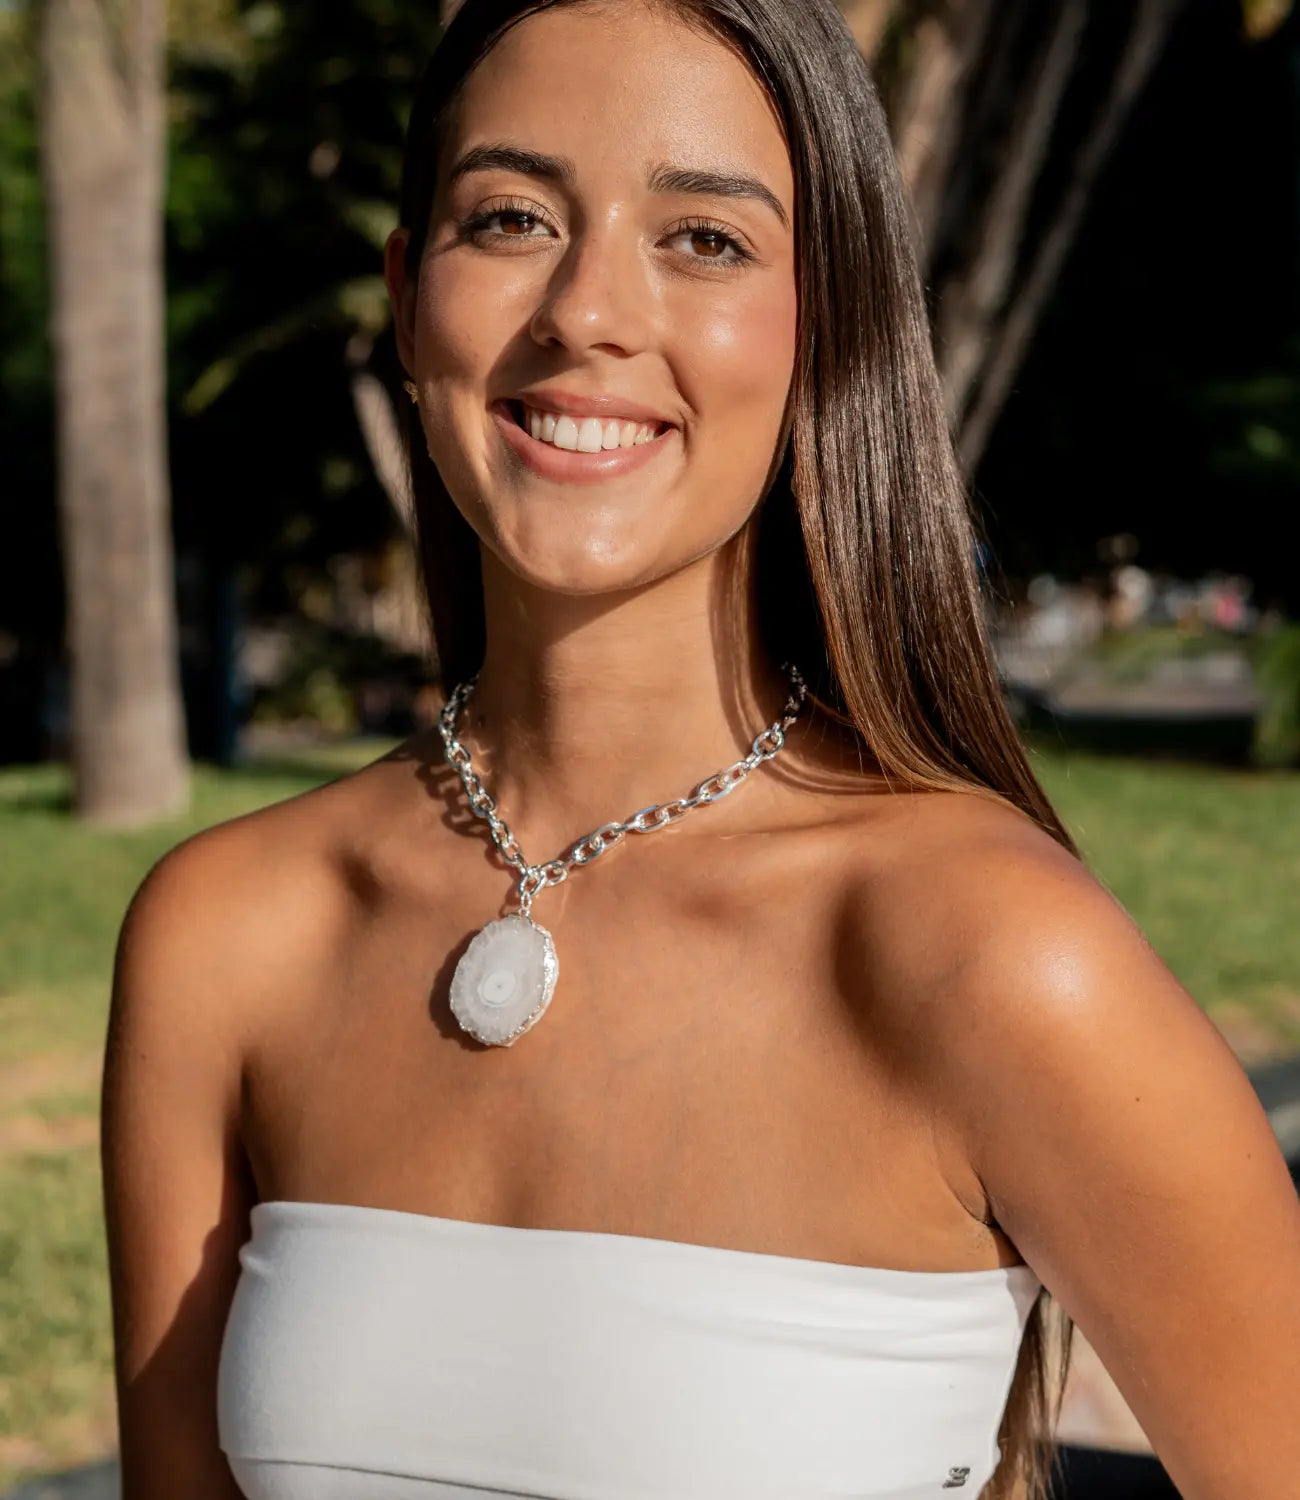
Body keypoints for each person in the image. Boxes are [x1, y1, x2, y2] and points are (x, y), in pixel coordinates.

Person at [101, 2, 1300, 1497]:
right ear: (411, 298)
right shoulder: (230, 935)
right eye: (513, 216)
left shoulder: (987, 956)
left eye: (706, 239)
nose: (588, 310)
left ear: (828, 327)